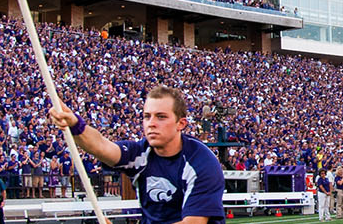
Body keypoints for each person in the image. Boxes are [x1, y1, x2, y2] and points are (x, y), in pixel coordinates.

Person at [49, 85, 226, 224]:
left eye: (161, 117)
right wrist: (75, 124)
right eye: (147, 116)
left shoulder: (201, 163)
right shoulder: (141, 153)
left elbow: (193, 223)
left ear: (181, 124)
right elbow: (102, 147)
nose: (151, 123)